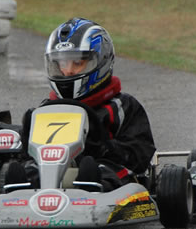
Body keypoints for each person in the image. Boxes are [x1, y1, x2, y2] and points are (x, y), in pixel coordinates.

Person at [10, 17, 156, 192]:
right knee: (27, 171)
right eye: (62, 63)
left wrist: (102, 147)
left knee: (100, 172)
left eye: (78, 63)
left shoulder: (122, 107)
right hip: (50, 171)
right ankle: (18, 192)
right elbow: (27, 155)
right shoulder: (45, 110)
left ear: (101, 61)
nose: (68, 70)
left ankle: (90, 190)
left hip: (104, 169)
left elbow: (140, 155)